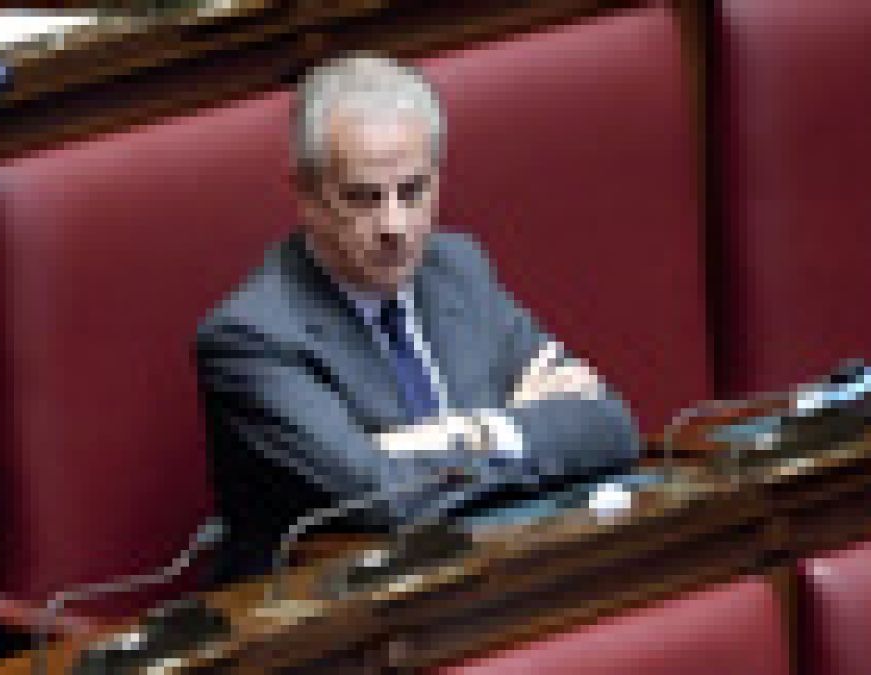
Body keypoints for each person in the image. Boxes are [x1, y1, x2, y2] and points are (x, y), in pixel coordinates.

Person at [195, 53, 639, 583]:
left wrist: (471, 430)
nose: (394, 225)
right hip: (337, 607)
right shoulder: (250, 337)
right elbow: (381, 498)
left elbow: (608, 425)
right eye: (363, 198)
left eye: (412, 191)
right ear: (306, 197)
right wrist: (517, 424)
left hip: (488, 575)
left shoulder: (457, 269)